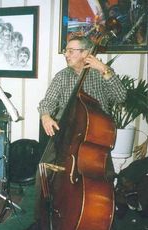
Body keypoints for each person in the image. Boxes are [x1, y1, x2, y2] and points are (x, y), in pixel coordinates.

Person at [28, 35, 127, 230]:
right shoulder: (62, 76)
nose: (66, 54)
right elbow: (47, 102)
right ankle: (42, 220)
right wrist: (46, 116)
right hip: (66, 137)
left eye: (71, 51)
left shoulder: (100, 74)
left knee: (102, 183)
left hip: (94, 140)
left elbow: (121, 97)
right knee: (43, 170)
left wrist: (103, 69)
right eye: (66, 50)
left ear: (86, 53)